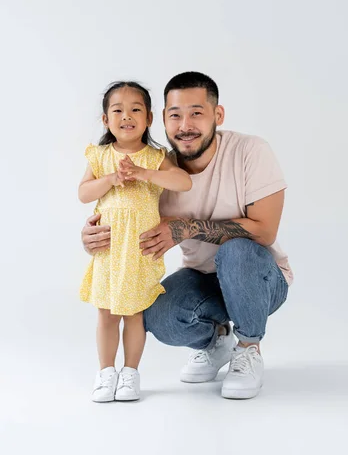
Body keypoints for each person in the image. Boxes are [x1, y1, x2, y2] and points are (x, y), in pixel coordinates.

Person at [82, 72, 293, 400]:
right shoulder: (157, 171)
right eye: (175, 115)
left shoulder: (249, 151)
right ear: (162, 120)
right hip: (202, 279)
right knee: (154, 310)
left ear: (217, 115)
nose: (186, 125)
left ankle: (249, 347)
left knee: (235, 251)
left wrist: (187, 227)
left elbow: (264, 230)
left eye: (197, 113)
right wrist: (93, 234)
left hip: (259, 278)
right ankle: (216, 343)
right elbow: (127, 217)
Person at [79, 81, 192, 403]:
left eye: (135, 109)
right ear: (105, 120)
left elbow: (182, 182)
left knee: (135, 314)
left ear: (149, 118)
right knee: (106, 313)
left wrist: (144, 173)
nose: (126, 116)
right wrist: (113, 178)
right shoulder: (100, 156)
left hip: (141, 250)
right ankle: (105, 372)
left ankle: (130, 372)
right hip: (109, 251)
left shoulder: (155, 158)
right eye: (118, 110)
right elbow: (83, 193)